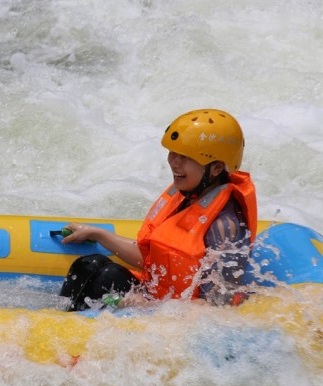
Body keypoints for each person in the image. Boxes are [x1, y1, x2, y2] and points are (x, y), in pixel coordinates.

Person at [59, 109, 257, 310]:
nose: (174, 162)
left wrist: (148, 308)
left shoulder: (225, 227)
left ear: (215, 168)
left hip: (173, 319)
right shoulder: (188, 195)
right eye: (173, 153)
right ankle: (57, 322)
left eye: (186, 157)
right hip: (156, 297)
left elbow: (217, 307)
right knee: (89, 265)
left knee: (107, 277)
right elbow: (154, 261)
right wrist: (98, 234)